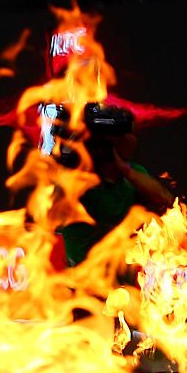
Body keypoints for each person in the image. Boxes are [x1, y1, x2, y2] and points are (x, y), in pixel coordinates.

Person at [59, 105, 175, 267]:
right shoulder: (79, 181)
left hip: (126, 287)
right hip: (84, 282)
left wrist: (124, 169)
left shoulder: (133, 174)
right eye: (122, 136)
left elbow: (165, 199)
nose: (130, 141)